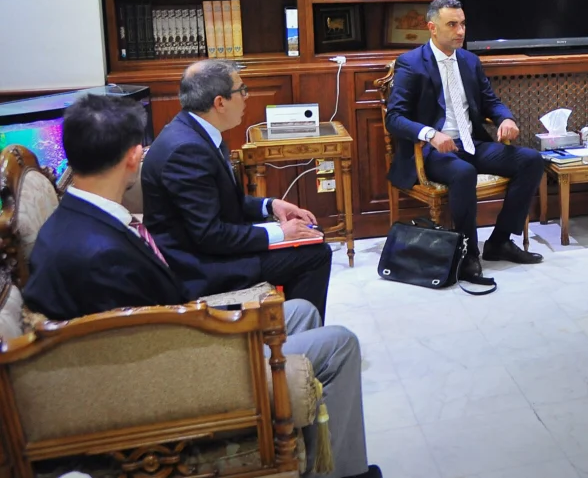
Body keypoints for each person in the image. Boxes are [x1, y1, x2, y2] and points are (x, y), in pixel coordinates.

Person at [23, 95, 379, 478]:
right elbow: (149, 350)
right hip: (177, 375)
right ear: (133, 156)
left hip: (163, 341)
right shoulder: (98, 254)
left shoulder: (77, 218)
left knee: (303, 311)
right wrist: (232, 333)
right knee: (341, 343)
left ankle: (308, 450)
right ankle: (347, 473)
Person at [142, 60, 333, 320]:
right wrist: (280, 233)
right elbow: (210, 235)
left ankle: (291, 324)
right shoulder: (186, 150)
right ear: (220, 102)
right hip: (197, 266)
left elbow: (223, 202)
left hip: (207, 248)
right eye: (241, 90)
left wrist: (270, 205)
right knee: (315, 255)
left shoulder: (195, 130)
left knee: (311, 235)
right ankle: (295, 334)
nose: (246, 97)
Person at [385, 0, 544, 285]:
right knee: (463, 172)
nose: (460, 31)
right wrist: (430, 134)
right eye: (452, 25)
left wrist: (505, 119)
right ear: (432, 28)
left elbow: (490, 101)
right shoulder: (411, 64)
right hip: (432, 151)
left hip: (471, 143)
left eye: (463, 24)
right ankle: (468, 254)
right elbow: (394, 118)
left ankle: (499, 241)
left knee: (531, 160)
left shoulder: (469, 61)